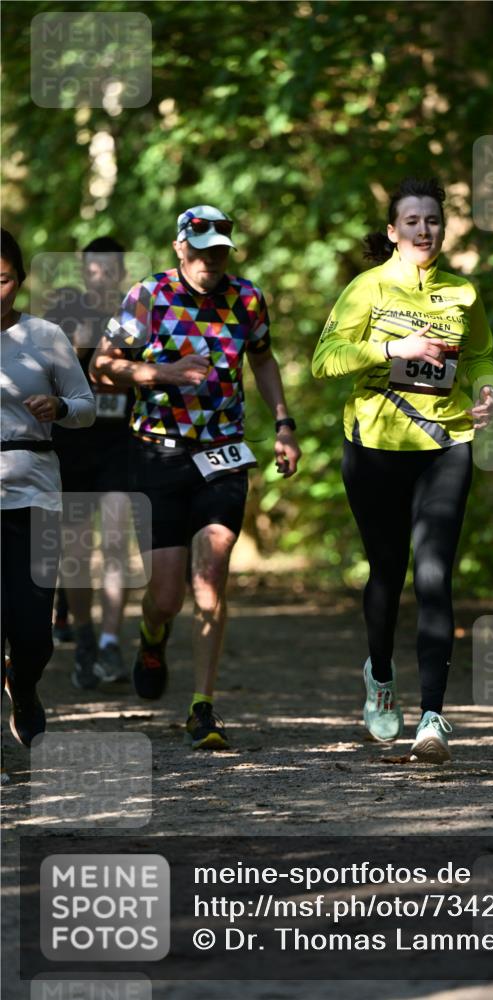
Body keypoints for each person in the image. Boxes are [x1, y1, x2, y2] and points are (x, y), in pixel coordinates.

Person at [90, 205, 301, 750]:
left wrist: (284, 423)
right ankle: (151, 636)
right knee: (166, 595)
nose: (211, 258)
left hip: (224, 453)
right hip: (157, 454)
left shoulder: (246, 298)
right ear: (180, 247)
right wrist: (161, 373)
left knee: (211, 575)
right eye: (201, 247)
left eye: (220, 249)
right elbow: (103, 367)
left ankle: (202, 707)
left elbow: (263, 359)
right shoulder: (148, 296)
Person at [312, 177, 493, 763]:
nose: (424, 230)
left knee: (437, 576)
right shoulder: (366, 289)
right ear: (393, 232)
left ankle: (434, 717)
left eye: (433, 221)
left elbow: (482, 353)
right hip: (374, 445)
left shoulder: (463, 293)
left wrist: (487, 389)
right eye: (413, 221)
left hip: (446, 442)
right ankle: (382, 674)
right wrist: (394, 349)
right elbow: (324, 361)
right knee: (388, 573)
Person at [1, 228, 95, 765]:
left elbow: (84, 405)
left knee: (33, 629)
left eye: (3, 279)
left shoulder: (45, 335)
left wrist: (57, 409)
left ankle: (27, 686)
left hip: (35, 488)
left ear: (19, 280)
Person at [46, 237, 133, 689]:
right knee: (77, 552)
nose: (101, 276)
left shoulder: (138, 315)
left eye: (109, 269)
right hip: (73, 449)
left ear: (119, 272)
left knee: (117, 543)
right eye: (93, 269)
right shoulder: (64, 315)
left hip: (120, 448)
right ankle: (83, 639)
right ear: (84, 272)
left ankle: (110, 643)